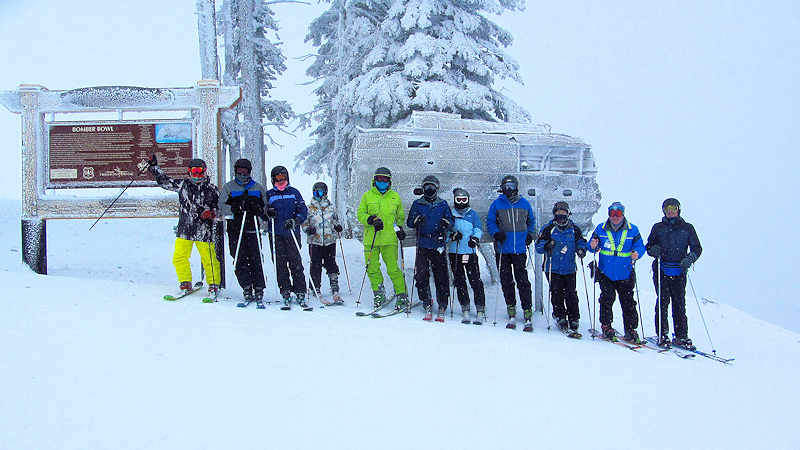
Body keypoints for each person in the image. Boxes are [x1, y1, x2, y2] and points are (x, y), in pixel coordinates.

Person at [147, 155, 221, 297]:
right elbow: (165, 182)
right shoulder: (183, 185)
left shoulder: (212, 189)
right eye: (194, 172)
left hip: (203, 230)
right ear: (189, 172)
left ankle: (213, 284)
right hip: (185, 228)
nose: (197, 175)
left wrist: (211, 213)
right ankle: (185, 282)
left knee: (209, 258)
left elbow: (221, 208)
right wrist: (154, 168)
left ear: (205, 172)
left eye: (200, 172)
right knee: (179, 256)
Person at [646, 198, 702, 349]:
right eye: (667, 208)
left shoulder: (687, 228)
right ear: (663, 211)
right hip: (661, 270)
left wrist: (689, 258)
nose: (670, 211)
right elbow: (649, 246)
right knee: (662, 303)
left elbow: (697, 248)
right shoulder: (658, 228)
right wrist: (653, 250)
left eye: (673, 208)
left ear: (678, 209)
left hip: (679, 272)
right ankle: (662, 334)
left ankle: (681, 336)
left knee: (679, 304)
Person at [588, 201, 646, 342]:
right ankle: (606, 326)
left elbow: (640, 246)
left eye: (618, 214)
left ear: (623, 214)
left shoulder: (633, 230)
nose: (615, 217)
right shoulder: (601, 229)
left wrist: (637, 253)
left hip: (625, 272)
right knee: (606, 300)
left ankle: (631, 329)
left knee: (628, 302)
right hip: (606, 272)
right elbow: (591, 247)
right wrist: (592, 245)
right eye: (612, 214)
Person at [487, 175, 537, 331]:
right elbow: (490, 221)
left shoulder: (524, 204)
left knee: (523, 280)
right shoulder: (497, 204)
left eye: (511, 186)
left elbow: (532, 221)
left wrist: (530, 234)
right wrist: (496, 233)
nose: (509, 189)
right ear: (502, 188)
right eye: (506, 186)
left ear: (516, 187)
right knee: (507, 280)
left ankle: (527, 309)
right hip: (503, 249)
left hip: (519, 248)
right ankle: (511, 307)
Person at [356, 167, 408, 309]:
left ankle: (402, 295)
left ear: (389, 181)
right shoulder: (367, 196)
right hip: (371, 240)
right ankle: (379, 293)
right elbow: (360, 214)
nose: (382, 181)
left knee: (393, 269)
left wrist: (399, 230)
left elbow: (399, 218)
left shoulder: (394, 197)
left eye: (385, 179)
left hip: (389, 239)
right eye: (379, 179)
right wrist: (370, 219)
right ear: (374, 180)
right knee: (372, 268)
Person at [219, 158, 268, 306]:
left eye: (244, 172)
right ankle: (246, 286)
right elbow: (221, 205)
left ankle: (259, 287)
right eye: (239, 172)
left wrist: (259, 209)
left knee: (255, 257)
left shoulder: (257, 188)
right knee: (239, 257)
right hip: (236, 227)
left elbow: (265, 206)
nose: (242, 175)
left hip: (252, 226)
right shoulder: (229, 187)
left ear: (249, 172)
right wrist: (236, 208)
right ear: (235, 172)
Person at [535, 201, 587, 334]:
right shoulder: (548, 229)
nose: (561, 215)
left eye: (563, 212)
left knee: (571, 293)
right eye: (558, 213)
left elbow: (581, 242)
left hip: (569, 267)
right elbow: (539, 247)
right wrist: (547, 245)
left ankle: (574, 317)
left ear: (568, 213)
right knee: (557, 293)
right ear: (554, 214)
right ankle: (560, 316)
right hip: (552, 267)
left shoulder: (574, 229)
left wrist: (581, 249)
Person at [407, 175, 454, 321]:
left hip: (438, 243)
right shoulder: (417, 204)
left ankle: (443, 303)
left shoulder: (442, 204)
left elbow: (451, 221)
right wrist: (416, 220)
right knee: (421, 275)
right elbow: (410, 222)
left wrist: (446, 223)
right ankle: (426, 300)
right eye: (426, 187)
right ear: (423, 188)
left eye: (432, 187)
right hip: (423, 244)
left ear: (437, 188)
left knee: (441, 275)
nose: (429, 189)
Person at [265, 165, 309, 307]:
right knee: (280, 264)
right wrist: (268, 213)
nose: (281, 181)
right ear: (273, 180)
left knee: (295, 262)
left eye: (283, 178)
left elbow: (302, 210)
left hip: (292, 233)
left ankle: (300, 290)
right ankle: (285, 290)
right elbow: (263, 212)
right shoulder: (270, 194)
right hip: (276, 234)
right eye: (278, 178)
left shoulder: (294, 193)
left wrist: (295, 220)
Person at [447, 188, 486, 324]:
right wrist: (452, 235)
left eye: (464, 200)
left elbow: (478, 228)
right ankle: (465, 308)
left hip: (469, 252)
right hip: (455, 252)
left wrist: (475, 238)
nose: (462, 202)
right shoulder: (450, 214)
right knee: (460, 281)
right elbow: (445, 230)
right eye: (459, 200)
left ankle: (480, 309)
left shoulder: (472, 214)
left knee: (475, 280)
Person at [303, 181, 344, 303]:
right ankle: (315, 286)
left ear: (325, 192)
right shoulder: (310, 208)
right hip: (315, 241)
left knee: (331, 262)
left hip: (329, 240)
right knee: (315, 264)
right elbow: (304, 222)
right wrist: (307, 229)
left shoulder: (331, 207)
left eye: (321, 192)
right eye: (316, 192)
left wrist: (337, 226)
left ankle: (334, 286)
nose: (319, 194)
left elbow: (335, 220)